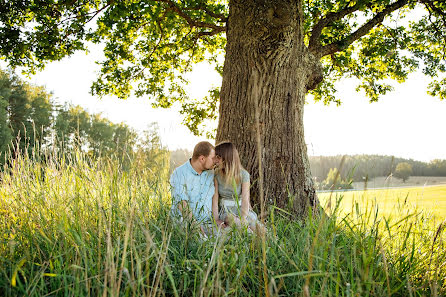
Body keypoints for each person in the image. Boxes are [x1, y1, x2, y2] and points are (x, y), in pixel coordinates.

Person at [212, 141, 264, 233]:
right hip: (226, 211)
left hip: (242, 208)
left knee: (258, 227)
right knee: (235, 221)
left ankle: (275, 243)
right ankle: (252, 238)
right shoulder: (217, 175)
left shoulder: (243, 175)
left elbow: (245, 199)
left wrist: (243, 217)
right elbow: (215, 199)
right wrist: (216, 219)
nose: (215, 161)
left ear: (226, 158)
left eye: (218, 158)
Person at [170, 141, 218, 237]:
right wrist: (195, 225)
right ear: (202, 158)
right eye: (213, 158)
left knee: (231, 237)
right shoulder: (179, 173)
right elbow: (182, 204)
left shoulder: (212, 174)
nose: (215, 161)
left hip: (208, 224)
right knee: (203, 243)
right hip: (187, 223)